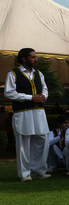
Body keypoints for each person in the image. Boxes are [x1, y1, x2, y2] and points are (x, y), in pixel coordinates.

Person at [4, 48, 51, 181]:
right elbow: (9, 92)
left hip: (39, 112)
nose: (35, 60)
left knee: (41, 140)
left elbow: (45, 89)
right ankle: (25, 174)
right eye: (32, 57)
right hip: (23, 113)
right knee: (24, 142)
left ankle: (38, 170)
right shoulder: (13, 73)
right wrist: (31, 98)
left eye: (36, 57)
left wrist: (43, 96)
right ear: (24, 59)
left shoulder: (39, 74)